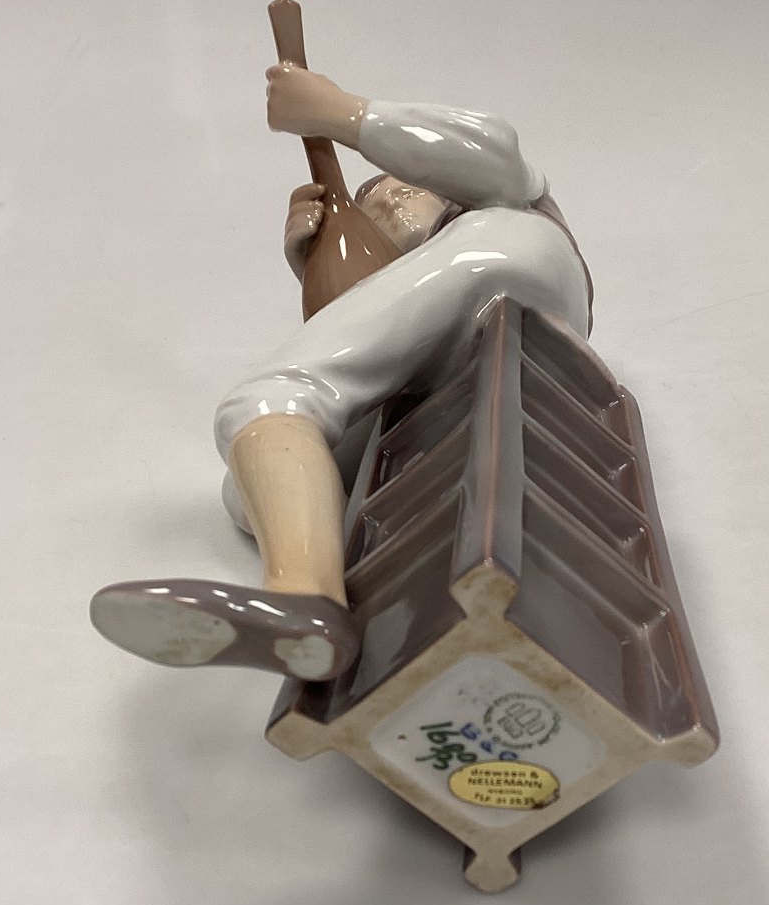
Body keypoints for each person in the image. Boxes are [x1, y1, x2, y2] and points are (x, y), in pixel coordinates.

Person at [90, 60, 593, 681]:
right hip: (459, 375)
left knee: (267, 402)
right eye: (372, 208)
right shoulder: (431, 287)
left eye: (405, 189)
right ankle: (309, 600)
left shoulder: (496, 209)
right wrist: (319, 267)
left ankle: (305, 599)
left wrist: (342, 114)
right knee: (246, 493)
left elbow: (496, 153)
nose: (389, 204)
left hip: (509, 257)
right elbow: (376, 340)